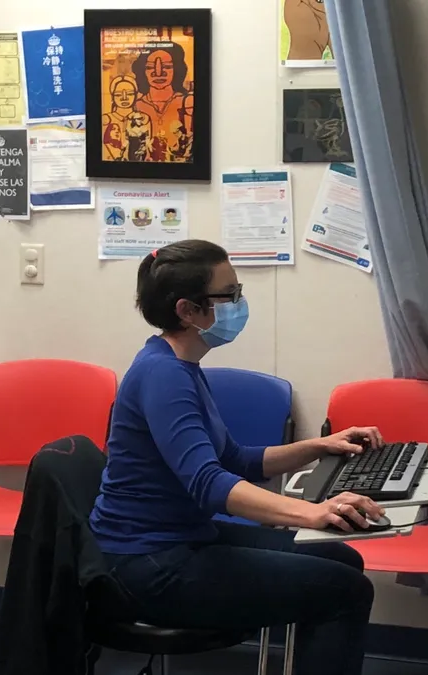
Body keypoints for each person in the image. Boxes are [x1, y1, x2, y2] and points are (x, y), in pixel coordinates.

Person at [90, 239, 384, 675]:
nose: (238, 303)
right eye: (229, 295)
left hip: (181, 540)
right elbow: (209, 484)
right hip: (148, 565)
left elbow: (235, 459)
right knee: (346, 590)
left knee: (341, 560)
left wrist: (321, 445)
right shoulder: (163, 376)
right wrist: (312, 512)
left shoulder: (180, 367)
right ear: (188, 311)